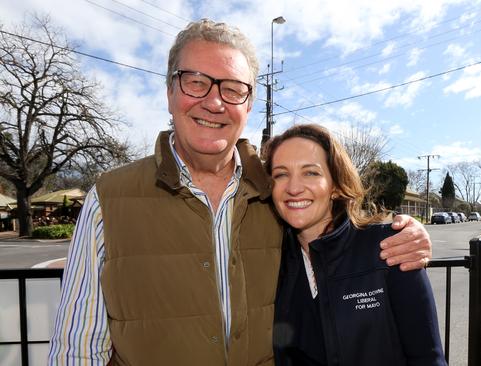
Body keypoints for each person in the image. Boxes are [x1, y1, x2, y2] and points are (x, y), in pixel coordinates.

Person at [48, 20, 432, 365]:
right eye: (195, 82)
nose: (214, 102)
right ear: (169, 92)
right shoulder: (110, 197)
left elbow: (335, 239)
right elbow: (76, 347)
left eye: (233, 89)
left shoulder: (275, 196)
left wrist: (406, 232)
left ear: (248, 105)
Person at [266, 124, 447, 366]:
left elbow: (428, 359)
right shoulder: (271, 260)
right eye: (281, 174)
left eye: (311, 173)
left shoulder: (390, 248)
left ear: (336, 186)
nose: (293, 187)